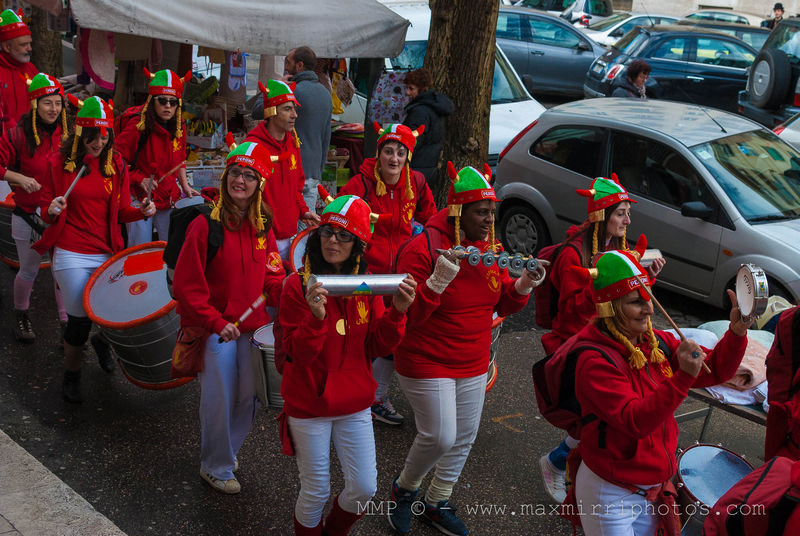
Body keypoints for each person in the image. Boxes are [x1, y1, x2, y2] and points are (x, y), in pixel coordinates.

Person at [387, 163, 547, 536]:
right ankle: (404, 489)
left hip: (472, 358)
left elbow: (502, 305)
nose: (490, 220)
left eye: (493, 211)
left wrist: (524, 283)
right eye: (482, 212)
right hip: (425, 357)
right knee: (439, 436)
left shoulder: (488, 247)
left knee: (463, 437)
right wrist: (439, 280)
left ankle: (437, 500)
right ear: (458, 212)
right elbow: (403, 319)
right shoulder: (423, 247)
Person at [569, 249, 752, 536]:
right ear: (610, 307)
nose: (650, 309)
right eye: (636, 302)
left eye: (649, 299)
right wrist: (681, 378)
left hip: (652, 488)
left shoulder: (656, 344)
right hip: (610, 494)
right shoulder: (593, 360)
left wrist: (737, 332)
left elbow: (713, 371)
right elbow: (635, 420)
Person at [278, 194, 416, 535]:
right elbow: (296, 355)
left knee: (365, 489)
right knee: (316, 489)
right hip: (310, 403)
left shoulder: (366, 285)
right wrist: (316, 318)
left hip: (354, 401)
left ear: (358, 244)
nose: (332, 241)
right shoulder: (297, 286)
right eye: (326, 233)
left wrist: (397, 311)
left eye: (343, 236)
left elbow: (378, 346)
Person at [538, 176, 666, 503]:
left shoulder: (617, 250)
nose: (628, 220)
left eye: (627, 213)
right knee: (599, 419)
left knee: (606, 418)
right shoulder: (571, 254)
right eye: (621, 213)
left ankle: (569, 469)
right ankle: (562, 465)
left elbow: (625, 298)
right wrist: (598, 292)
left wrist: (646, 278)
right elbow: (567, 316)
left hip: (610, 341)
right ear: (601, 215)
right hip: (577, 347)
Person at [173, 139, 285, 494]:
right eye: (235, 172)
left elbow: (272, 276)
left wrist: (292, 289)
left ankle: (225, 452)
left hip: (250, 331)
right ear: (225, 178)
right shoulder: (206, 225)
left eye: (249, 176)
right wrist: (215, 321)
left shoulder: (264, 223)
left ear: (259, 184)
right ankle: (215, 465)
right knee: (219, 400)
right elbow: (187, 286)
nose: (241, 180)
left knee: (248, 398)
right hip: (217, 331)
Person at [34, 96, 156, 403]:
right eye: (93, 136)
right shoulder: (56, 163)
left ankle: (102, 343)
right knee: (79, 320)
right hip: (71, 252)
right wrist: (51, 208)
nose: (99, 142)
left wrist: (142, 211)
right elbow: (43, 213)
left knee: (114, 314)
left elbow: (121, 213)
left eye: (105, 135)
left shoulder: (116, 165)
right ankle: (71, 374)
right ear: (80, 134)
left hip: (106, 252)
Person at [339, 122, 437, 426]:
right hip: (368, 274)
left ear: (408, 156)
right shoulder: (360, 184)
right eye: (388, 151)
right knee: (363, 336)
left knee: (394, 334)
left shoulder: (417, 182)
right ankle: (353, 395)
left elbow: (431, 219)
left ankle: (375, 396)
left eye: (400, 152)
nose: (394, 159)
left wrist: (423, 243)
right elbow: (339, 220)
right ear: (378, 153)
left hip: (403, 275)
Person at [0, 73, 70, 342]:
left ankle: (67, 326)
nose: (54, 109)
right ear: (34, 105)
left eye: (58, 103)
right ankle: (21, 316)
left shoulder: (68, 136)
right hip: (27, 215)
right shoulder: (16, 136)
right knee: (28, 270)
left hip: (59, 217)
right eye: (47, 103)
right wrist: (17, 178)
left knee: (61, 270)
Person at [115, 69, 197, 245]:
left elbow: (181, 158)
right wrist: (139, 178)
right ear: (152, 101)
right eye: (162, 101)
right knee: (140, 249)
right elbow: (113, 159)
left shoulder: (179, 123)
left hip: (168, 196)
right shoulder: (138, 126)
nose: (168, 106)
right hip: (140, 196)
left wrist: (185, 185)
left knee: (171, 248)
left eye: (173, 102)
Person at [245, 79, 320, 260]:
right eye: (287, 109)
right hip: (261, 237)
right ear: (271, 111)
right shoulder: (252, 147)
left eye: (294, 109)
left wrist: (303, 210)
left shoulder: (293, 142)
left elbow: (297, 185)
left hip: (289, 235)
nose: (294, 115)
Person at [282, 46, 333, 218]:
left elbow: (259, 110)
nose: (286, 67)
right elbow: (327, 137)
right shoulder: (326, 94)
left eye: (288, 62)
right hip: (312, 172)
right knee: (305, 232)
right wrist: (318, 170)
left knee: (287, 229)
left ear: (300, 66)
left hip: (290, 170)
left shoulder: (291, 90)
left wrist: (278, 86)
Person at [402, 68, 454, 189]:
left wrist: (400, 158)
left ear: (422, 89)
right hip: (429, 165)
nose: (407, 92)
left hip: (417, 166)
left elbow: (414, 140)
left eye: (411, 88)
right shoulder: (433, 106)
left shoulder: (420, 111)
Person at [0, 9, 38, 135]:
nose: (30, 48)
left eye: (29, 43)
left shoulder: (31, 68)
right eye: (24, 44)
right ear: (7, 47)